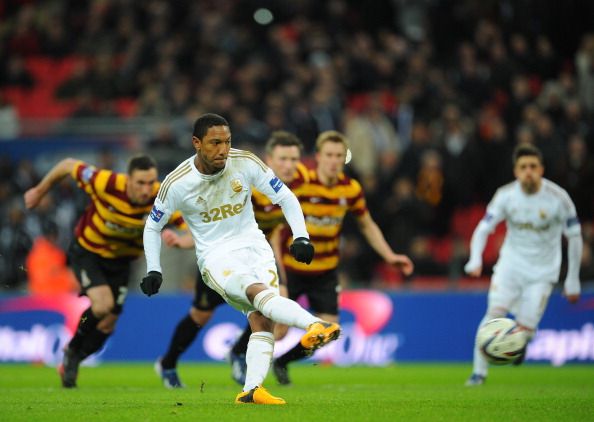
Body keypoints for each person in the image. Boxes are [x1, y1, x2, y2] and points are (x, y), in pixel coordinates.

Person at [141, 114, 340, 405]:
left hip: (256, 248)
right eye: (215, 143)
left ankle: (251, 390)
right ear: (197, 143)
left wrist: (301, 236)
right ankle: (314, 324)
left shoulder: (245, 162)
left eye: (227, 141)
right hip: (216, 257)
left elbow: (285, 196)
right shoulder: (178, 182)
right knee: (256, 295)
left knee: (263, 319)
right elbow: (153, 225)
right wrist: (154, 268)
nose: (223, 149)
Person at [153, 130, 308, 388]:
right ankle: (167, 363)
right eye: (283, 159)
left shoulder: (288, 191)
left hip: (256, 256)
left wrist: (281, 271)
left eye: (294, 159)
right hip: (222, 259)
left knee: (267, 307)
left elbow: (275, 235)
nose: (289, 165)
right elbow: (213, 224)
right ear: (270, 158)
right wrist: (184, 241)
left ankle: (237, 352)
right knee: (201, 315)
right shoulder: (247, 181)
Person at [24, 154, 185, 388]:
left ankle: (75, 357)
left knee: (108, 323)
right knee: (102, 305)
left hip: (121, 262)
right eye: (140, 182)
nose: (146, 188)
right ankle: (72, 348)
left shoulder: (161, 197)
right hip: (89, 252)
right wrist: (40, 191)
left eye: (151, 182)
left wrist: (184, 240)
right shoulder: (106, 182)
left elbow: (188, 225)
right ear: (127, 180)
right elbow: (67, 165)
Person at [271, 130, 414, 385]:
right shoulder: (300, 182)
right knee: (279, 330)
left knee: (328, 332)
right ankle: (242, 348)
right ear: (318, 156)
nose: (334, 160)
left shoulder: (350, 189)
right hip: (291, 267)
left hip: (325, 270)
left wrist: (389, 254)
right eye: (329, 155)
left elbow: (366, 224)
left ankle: (283, 362)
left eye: (339, 155)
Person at [464, 143, 582, 386]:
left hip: (542, 273)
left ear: (541, 169)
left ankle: (520, 345)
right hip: (510, 267)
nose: (528, 171)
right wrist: (475, 258)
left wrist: (572, 279)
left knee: (526, 330)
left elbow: (575, 237)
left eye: (533, 166)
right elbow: (484, 228)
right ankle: (478, 375)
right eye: (523, 167)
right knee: (492, 317)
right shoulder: (505, 195)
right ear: (516, 171)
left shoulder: (559, 199)